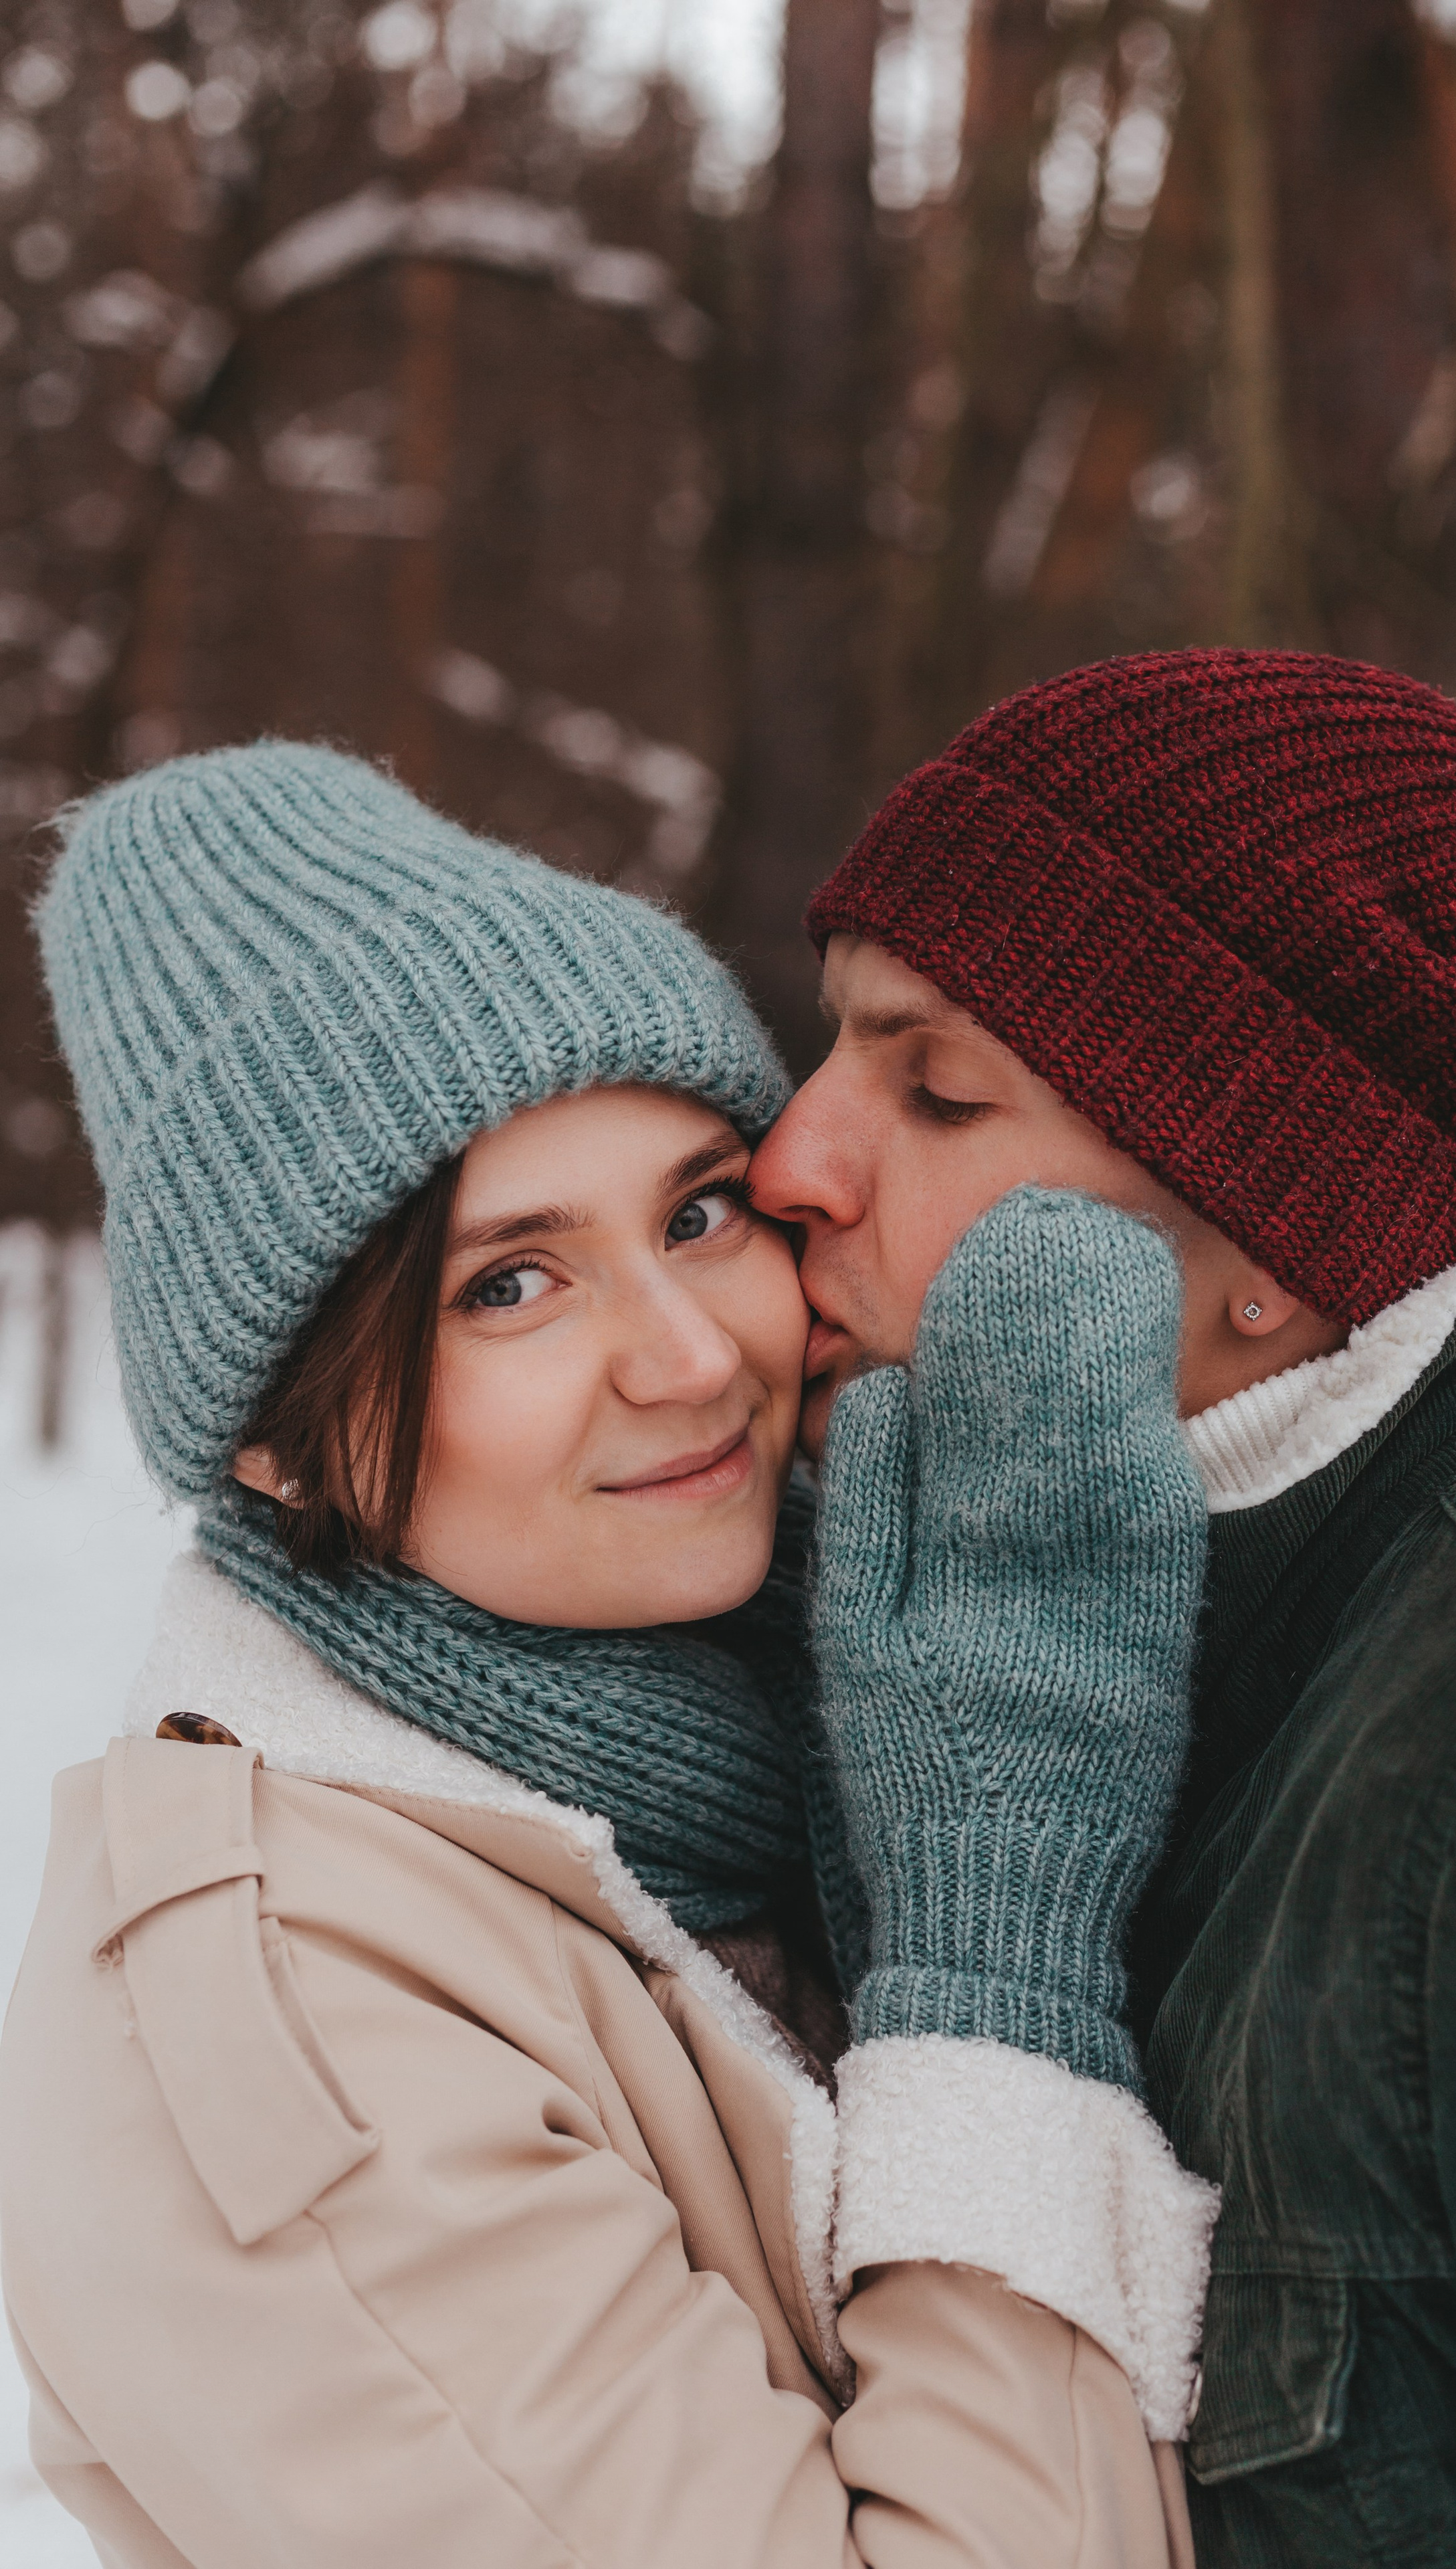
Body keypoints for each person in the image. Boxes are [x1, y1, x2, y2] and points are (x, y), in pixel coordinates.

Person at [0, 741, 1219, 2568]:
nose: (692, 1356)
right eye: (511, 1282)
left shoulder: (815, 1701)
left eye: (698, 1210)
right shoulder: (292, 2042)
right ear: (273, 1433)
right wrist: (990, 1955)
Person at [751, 648, 1456, 2568]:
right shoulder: (1024, 1628)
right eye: (832, 1042)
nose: (792, 1161)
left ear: (1277, 1236)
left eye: (939, 1092)